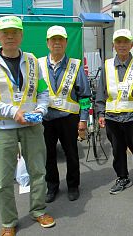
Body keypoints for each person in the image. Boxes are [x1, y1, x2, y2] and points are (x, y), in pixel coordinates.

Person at [0, 16, 55, 236]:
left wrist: (40, 110)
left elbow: (43, 92)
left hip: (32, 125)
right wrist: (12, 112)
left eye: (14, 32)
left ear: (22, 35)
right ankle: (8, 222)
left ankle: (38, 210)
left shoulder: (32, 62)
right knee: (3, 179)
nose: (10, 36)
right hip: (2, 129)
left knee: (38, 171)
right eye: (5, 32)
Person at [96, 28, 133, 203]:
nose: (122, 45)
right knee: (117, 151)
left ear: (131, 45)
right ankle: (123, 177)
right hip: (113, 118)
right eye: (118, 42)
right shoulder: (106, 65)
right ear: (114, 45)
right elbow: (101, 91)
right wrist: (100, 112)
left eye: (125, 42)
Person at [39, 25, 91, 203]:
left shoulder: (75, 66)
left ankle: (73, 185)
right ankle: (52, 186)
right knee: (48, 155)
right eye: (53, 39)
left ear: (66, 42)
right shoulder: (38, 65)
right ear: (47, 43)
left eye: (60, 39)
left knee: (71, 153)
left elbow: (85, 96)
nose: (57, 43)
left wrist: (84, 120)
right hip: (45, 120)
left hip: (69, 119)